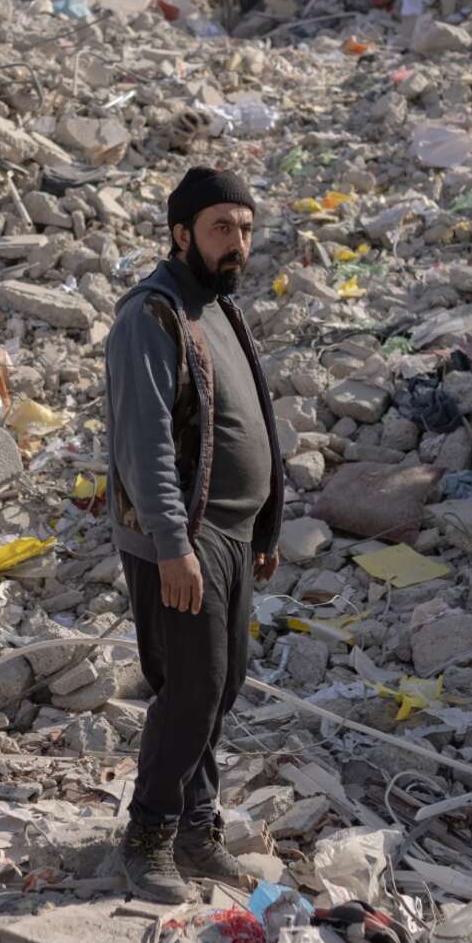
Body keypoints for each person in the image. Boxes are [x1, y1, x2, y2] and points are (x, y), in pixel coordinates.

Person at [104, 165, 284, 902]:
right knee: (193, 688)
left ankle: (197, 831)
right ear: (181, 234)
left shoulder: (219, 309)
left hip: (234, 537)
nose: (236, 242)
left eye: (243, 228)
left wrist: (267, 525)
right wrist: (173, 543)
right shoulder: (151, 315)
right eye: (220, 228)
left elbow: (254, 422)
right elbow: (142, 444)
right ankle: (147, 836)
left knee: (224, 684)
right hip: (185, 538)